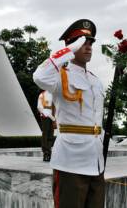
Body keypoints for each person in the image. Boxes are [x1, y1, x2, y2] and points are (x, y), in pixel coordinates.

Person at [33, 19, 105, 208]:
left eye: (90, 43)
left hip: (96, 160)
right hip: (70, 161)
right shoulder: (59, 75)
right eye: (83, 43)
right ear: (71, 45)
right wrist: (69, 50)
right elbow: (39, 76)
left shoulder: (96, 81)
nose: (88, 47)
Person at [37, 90, 56, 162]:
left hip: (53, 116)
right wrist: (50, 116)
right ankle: (45, 152)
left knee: (51, 134)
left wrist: (54, 118)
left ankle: (49, 150)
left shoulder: (54, 94)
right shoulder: (42, 94)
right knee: (45, 133)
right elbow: (39, 107)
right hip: (45, 116)